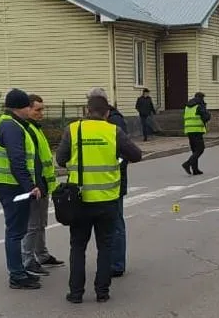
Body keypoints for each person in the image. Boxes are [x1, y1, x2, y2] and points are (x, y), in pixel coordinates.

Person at [57, 94, 142, 304]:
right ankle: (102, 292)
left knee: (77, 247)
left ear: (87, 111)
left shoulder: (73, 130)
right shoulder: (114, 131)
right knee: (105, 246)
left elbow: (60, 159)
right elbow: (136, 155)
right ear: (107, 113)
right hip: (107, 200)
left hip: (79, 200)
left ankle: (75, 293)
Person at [0, 88, 42, 290]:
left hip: (8, 183)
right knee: (15, 231)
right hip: (12, 186)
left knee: (17, 229)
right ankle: (17, 275)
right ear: (21, 108)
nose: (31, 110)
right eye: (29, 106)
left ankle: (19, 269)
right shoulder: (12, 127)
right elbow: (17, 160)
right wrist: (31, 187)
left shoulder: (7, 122)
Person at [86, 87, 128, 278]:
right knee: (101, 227)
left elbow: (126, 152)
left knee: (115, 224)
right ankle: (108, 262)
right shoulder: (84, 126)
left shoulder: (115, 121)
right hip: (93, 184)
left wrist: (115, 165)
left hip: (113, 182)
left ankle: (116, 264)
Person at [21, 94, 64, 277]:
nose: (41, 113)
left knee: (41, 223)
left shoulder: (36, 128)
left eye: (42, 109)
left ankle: (42, 254)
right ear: (28, 109)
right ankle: (28, 261)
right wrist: (34, 185)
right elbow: (33, 161)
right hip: (36, 185)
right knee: (32, 225)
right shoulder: (28, 130)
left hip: (43, 184)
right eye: (38, 109)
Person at [182, 92, 211, 176]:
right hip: (197, 130)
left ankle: (195, 170)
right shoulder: (199, 106)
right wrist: (208, 113)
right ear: (201, 98)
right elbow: (206, 117)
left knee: (194, 150)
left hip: (189, 130)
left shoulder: (187, 106)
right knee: (200, 149)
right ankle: (187, 164)